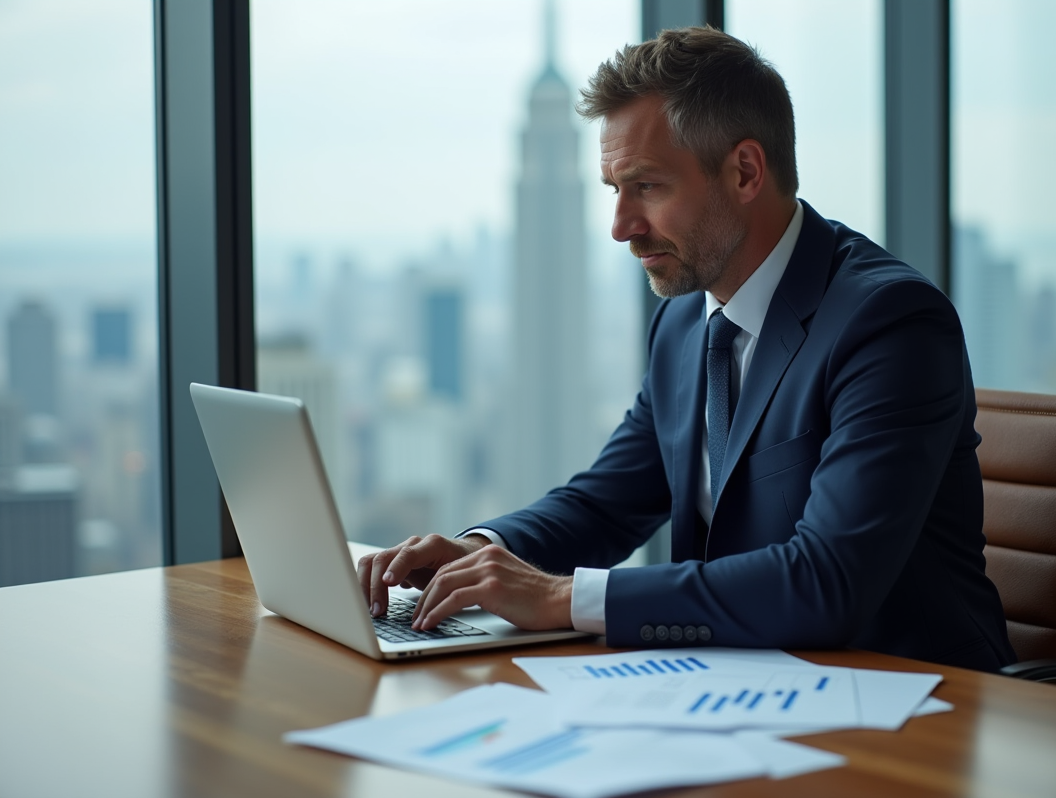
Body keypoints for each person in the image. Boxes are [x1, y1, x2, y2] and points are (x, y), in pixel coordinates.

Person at [358, 26, 1016, 671]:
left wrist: (562, 597)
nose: (621, 227)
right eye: (615, 190)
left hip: (911, 708)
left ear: (745, 172)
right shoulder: (685, 323)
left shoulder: (888, 322)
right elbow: (606, 502)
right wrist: (480, 552)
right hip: (738, 688)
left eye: (647, 187)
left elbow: (827, 581)